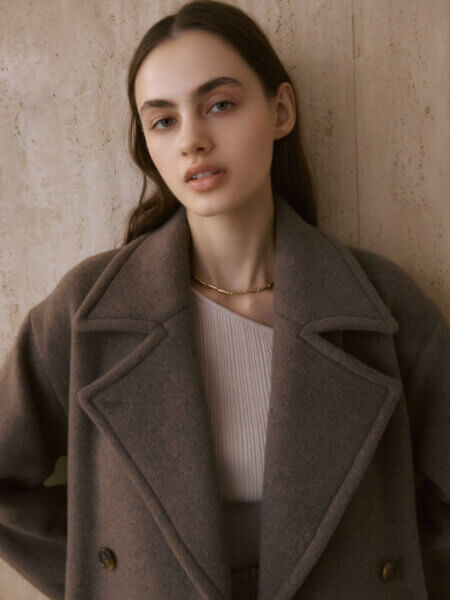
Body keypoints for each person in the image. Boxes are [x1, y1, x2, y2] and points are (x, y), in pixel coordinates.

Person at [0, 1, 448, 599]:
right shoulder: (87, 311)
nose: (193, 141)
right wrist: (110, 573)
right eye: (164, 120)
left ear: (280, 110)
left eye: (219, 105)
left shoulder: (382, 306)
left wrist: (383, 565)